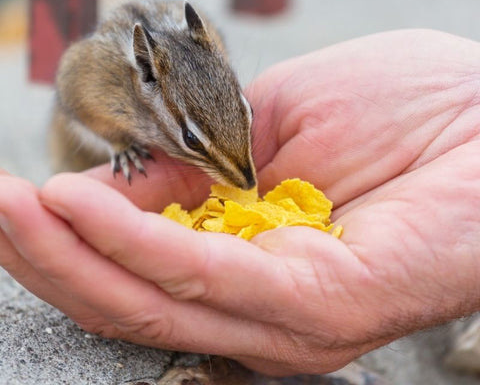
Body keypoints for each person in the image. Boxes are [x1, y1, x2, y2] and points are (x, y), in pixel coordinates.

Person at [0, 29, 479, 377]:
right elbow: (75, 92)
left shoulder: (203, 46)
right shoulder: (106, 83)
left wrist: (463, 107)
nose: (246, 178)